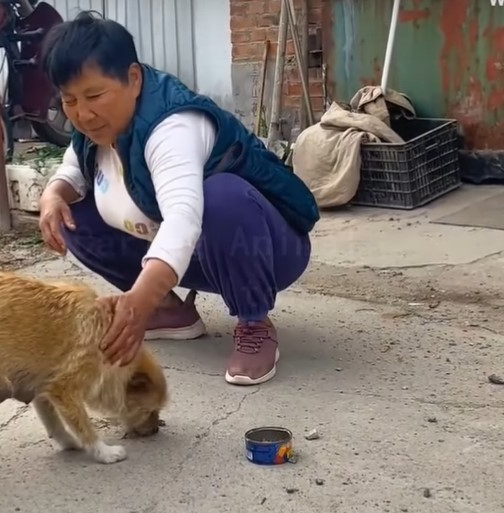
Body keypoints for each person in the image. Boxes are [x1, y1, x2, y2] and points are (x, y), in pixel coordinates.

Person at [38, 11, 319, 386]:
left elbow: (183, 219)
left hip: (270, 249)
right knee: (70, 211)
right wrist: (52, 195)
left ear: (133, 79)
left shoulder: (173, 125)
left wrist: (136, 304)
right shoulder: (97, 127)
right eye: (69, 100)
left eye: (94, 95)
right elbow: (74, 169)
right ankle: (170, 311)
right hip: (196, 255)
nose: (83, 114)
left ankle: (254, 323)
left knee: (220, 196)